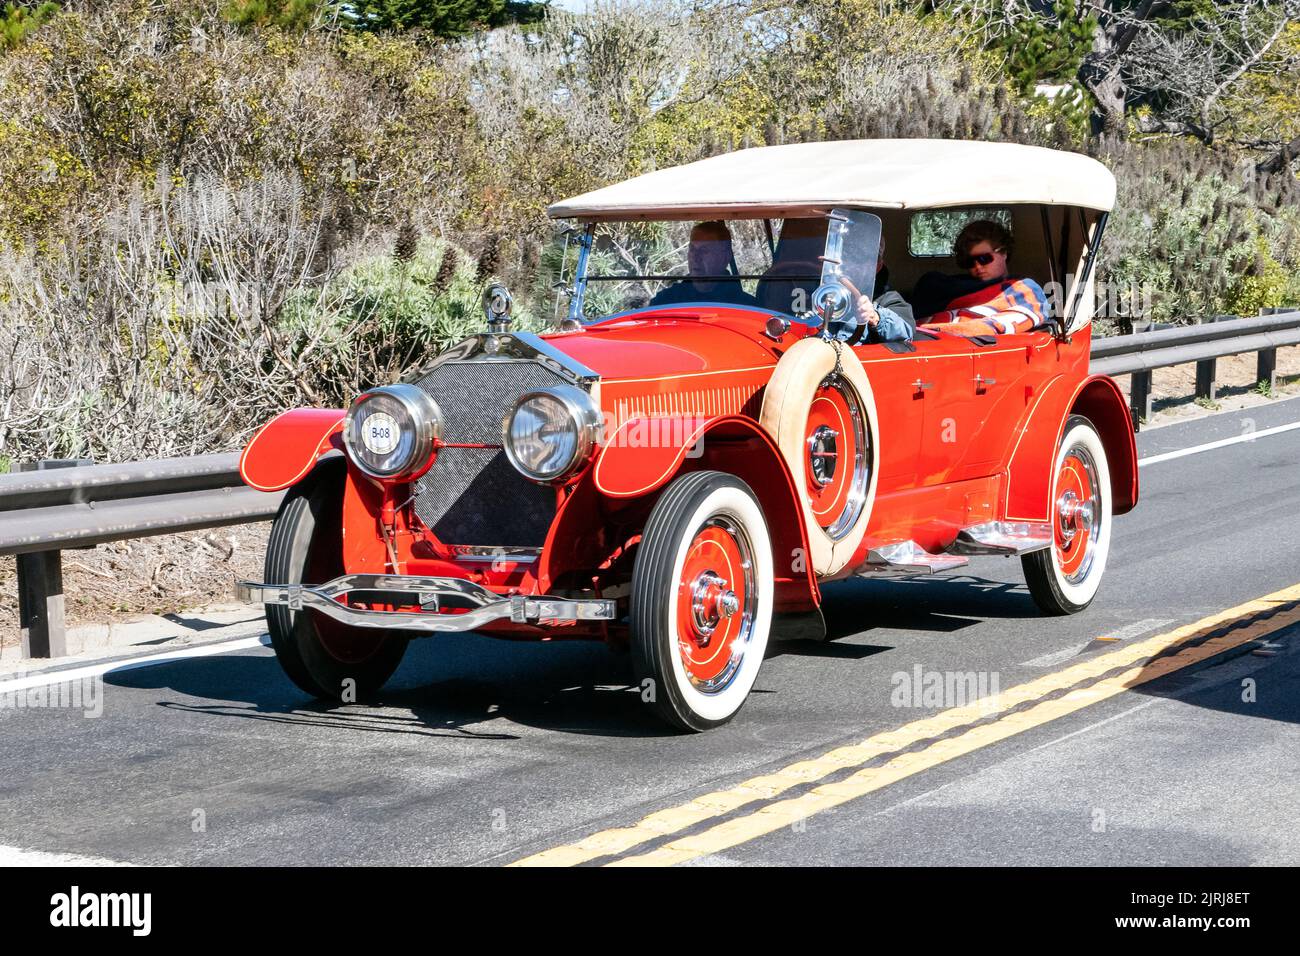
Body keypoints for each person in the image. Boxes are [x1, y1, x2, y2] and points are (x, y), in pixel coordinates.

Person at [916, 220, 1050, 337]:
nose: (978, 267)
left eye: (984, 259)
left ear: (1004, 253)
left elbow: (1007, 322)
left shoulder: (1022, 289)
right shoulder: (948, 286)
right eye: (970, 262)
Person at [649, 220, 761, 308]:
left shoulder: (745, 307)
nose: (695, 257)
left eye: (705, 251)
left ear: (725, 257)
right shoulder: (666, 302)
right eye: (692, 249)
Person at [839, 233, 914, 344]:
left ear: (877, 266)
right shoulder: (824, 292)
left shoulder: (889, 299)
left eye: (860, 259)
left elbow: (906, 333)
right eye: (848, 257)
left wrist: (875, 316)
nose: (851, 265)